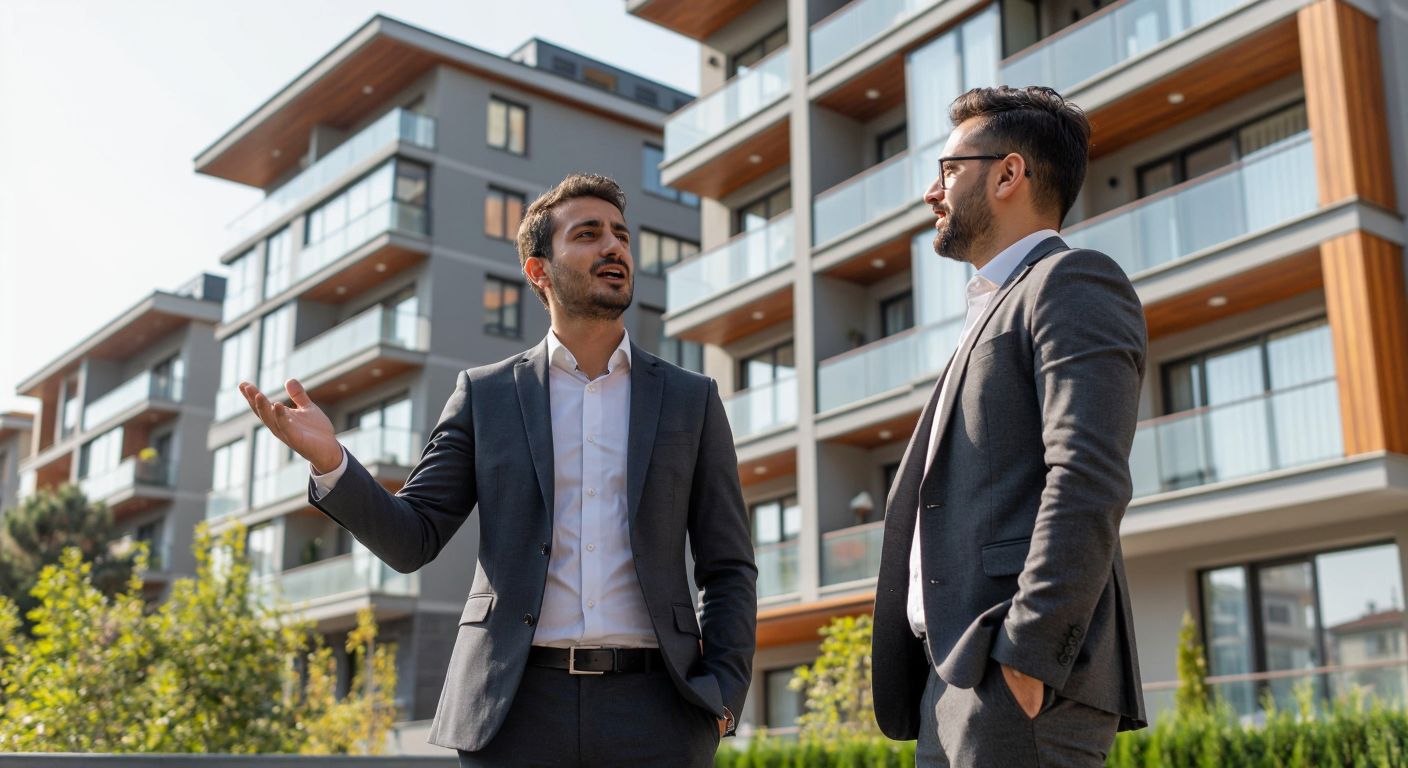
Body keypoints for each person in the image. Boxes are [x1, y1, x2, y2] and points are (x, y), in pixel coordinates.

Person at [239, 173, 757, 767]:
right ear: (539, 270)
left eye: (620, 235)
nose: (613, 247)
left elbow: (728, 564)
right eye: (587, 234)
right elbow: (413, 538)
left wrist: (723, 691)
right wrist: (333, 462)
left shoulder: (692, 400)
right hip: (512, 712)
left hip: (658, 712)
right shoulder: (485, 396)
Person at [869, 86, 1149, 767]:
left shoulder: (1072, 280)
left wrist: (1029, 652)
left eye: (947, 171)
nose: (933, 193)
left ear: (1007, 174)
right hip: (957, 675)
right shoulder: (993, 307)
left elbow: (1088, 474)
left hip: (1014, 678)